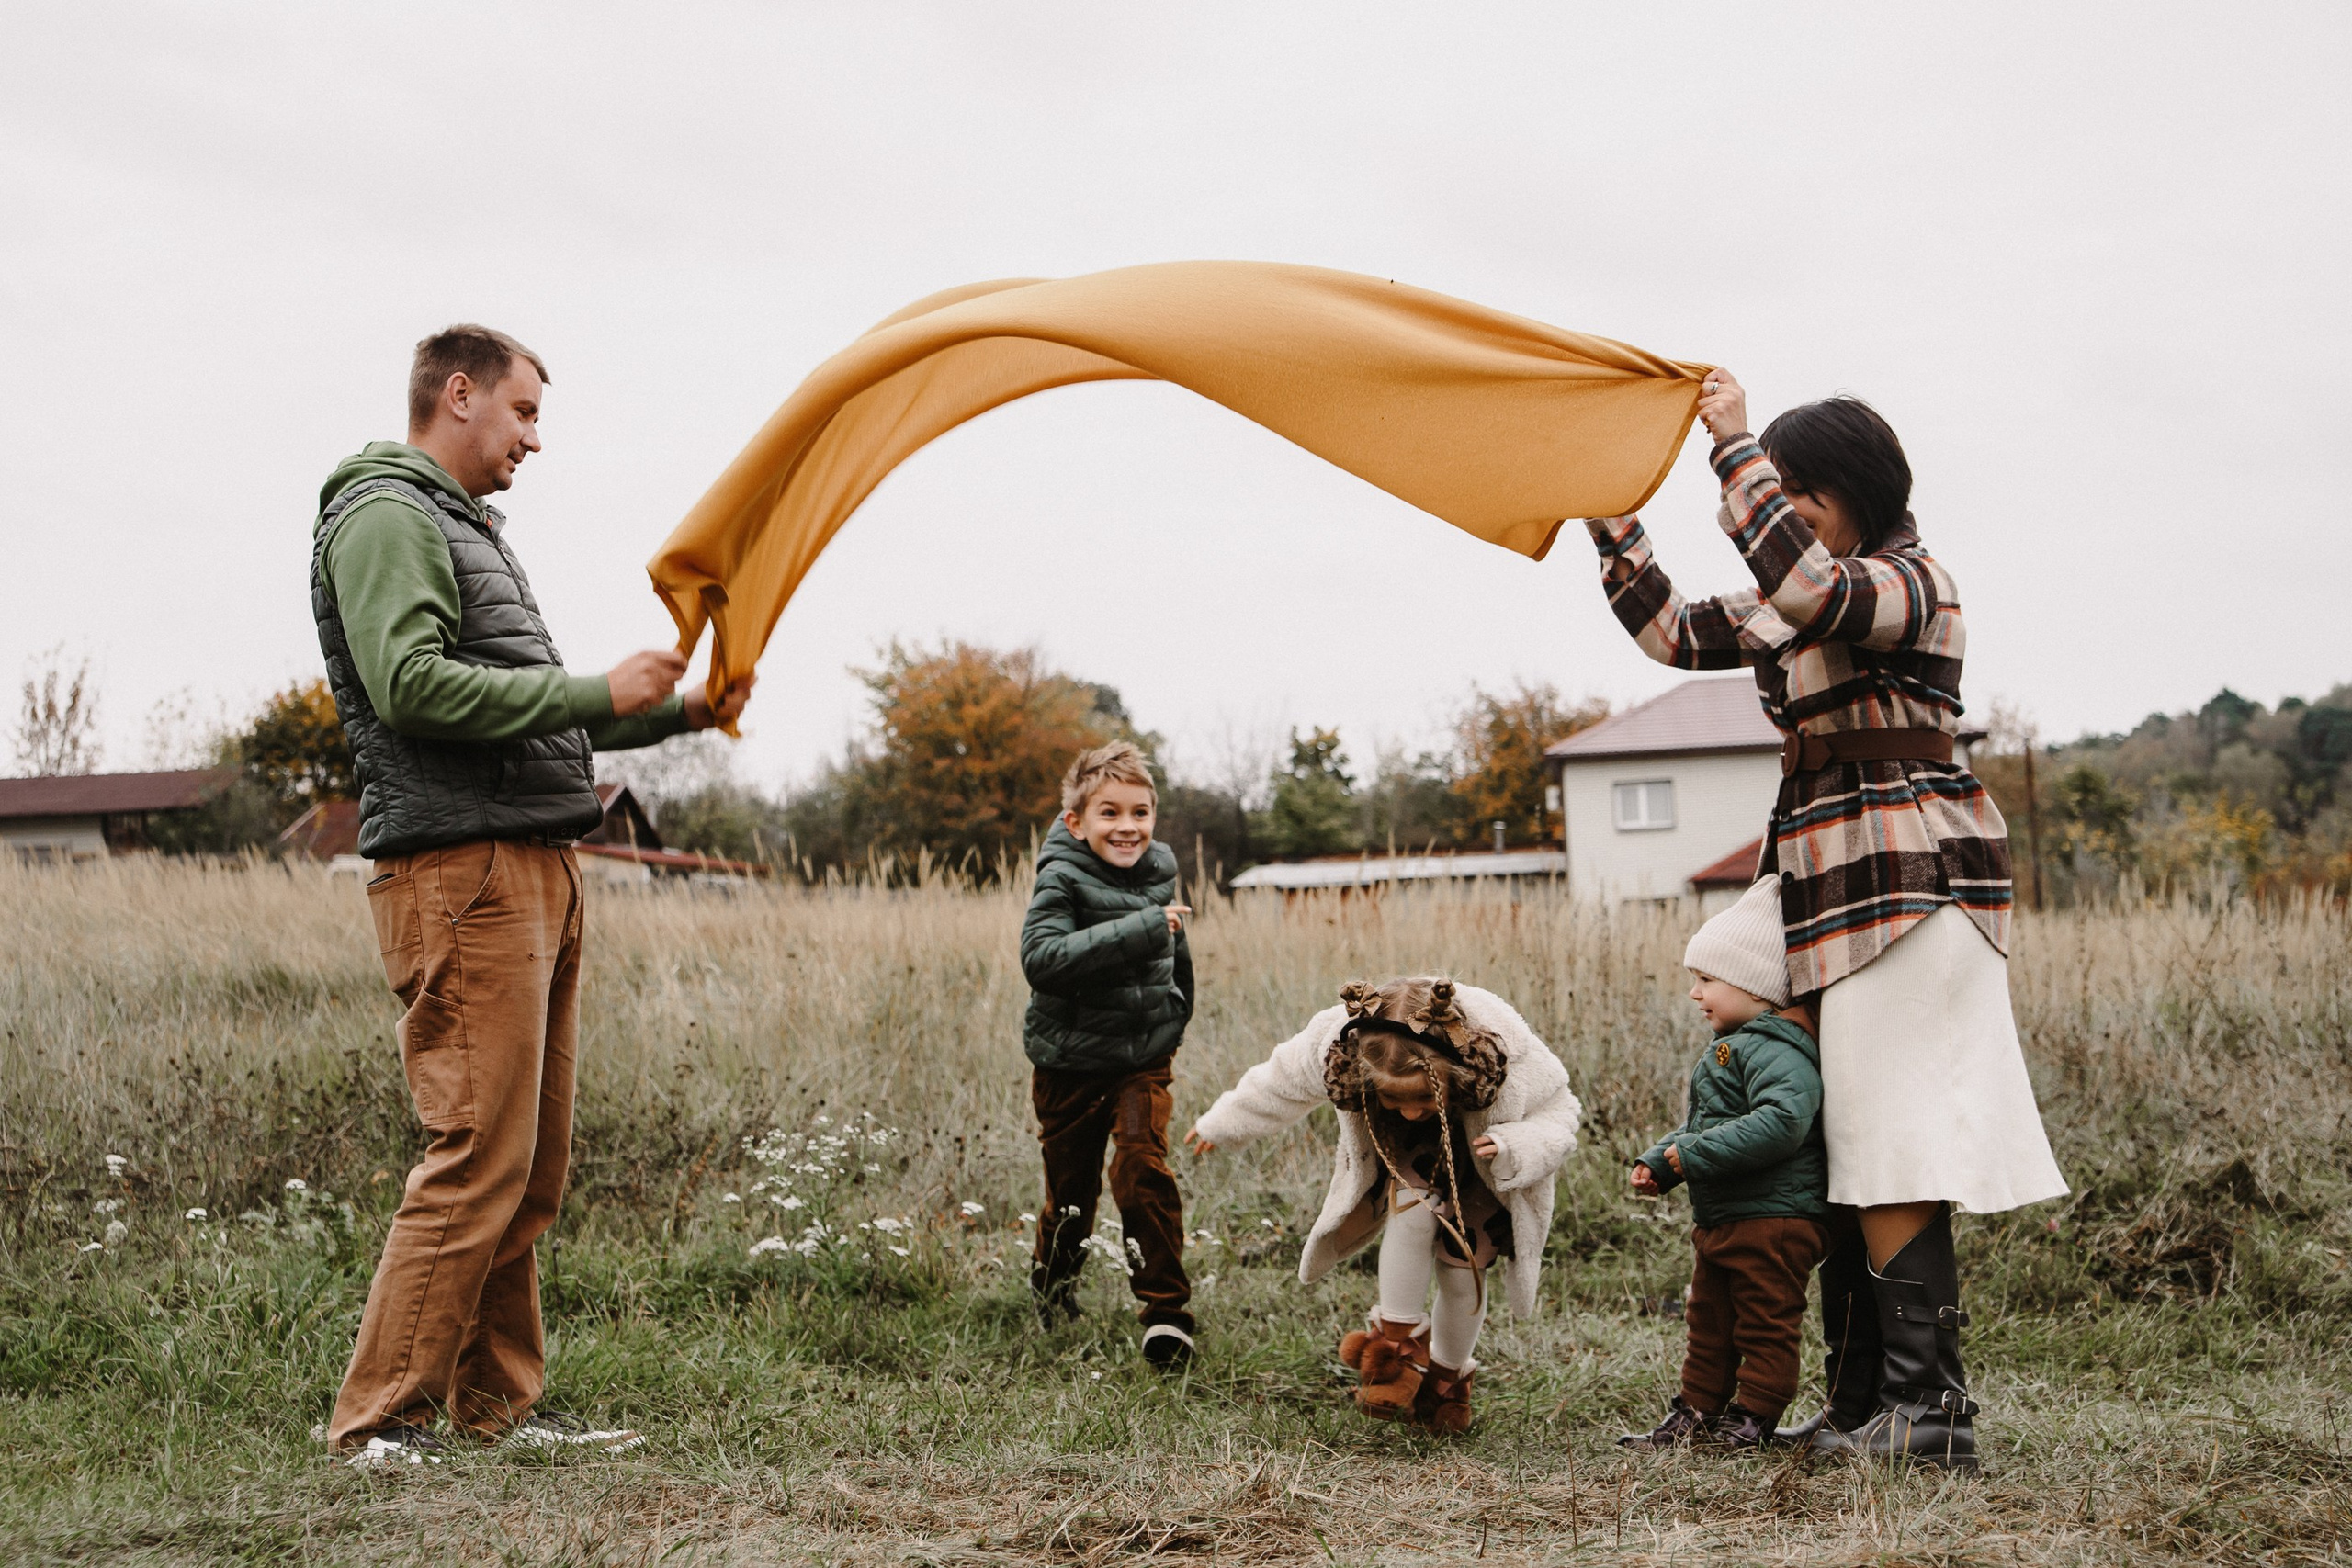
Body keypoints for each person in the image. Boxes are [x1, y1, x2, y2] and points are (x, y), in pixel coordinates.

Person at [1580, 371, 2065, 1472]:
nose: (1786, 502)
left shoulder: (1909, 582)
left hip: (1910, 886)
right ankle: (1862, 1407)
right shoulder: (1805, 594)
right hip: (1831, 891)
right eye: (1778, 486)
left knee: (1894, 1140)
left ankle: (1927, 1417)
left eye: (1806, 487)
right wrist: (1608, 506)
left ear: (1858, 488)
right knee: (1849, 1145)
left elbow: (1800, 587)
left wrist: (1733, 446)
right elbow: (1665, 633)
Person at [312, 324, 752, 1466]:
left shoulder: (466, 532)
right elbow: (410, 686)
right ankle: (376, 1426)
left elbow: (529, 701)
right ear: (457, 396)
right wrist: (598, 683)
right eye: (522, 414)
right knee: (475, 1153)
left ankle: (496, 1410)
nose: (535, 440)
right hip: (464, 872)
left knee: (531, 1164)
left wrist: (678, 712)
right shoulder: (386, 515)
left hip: (534, 862)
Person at [1187, 976, 1581, 1434]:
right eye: (1393, 1097)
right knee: (1411, 1214)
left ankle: (1449, 1377)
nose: (1410, 1110)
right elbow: (1280, 1081)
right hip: (1412, 1153)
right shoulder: (1339, 1041)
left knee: (1462, 1266)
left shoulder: (1504, 1051)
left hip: (1485, 1159)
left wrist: (1515, 1143)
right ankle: (1398, 1346)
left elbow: (1561, 1111)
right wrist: (1222, 1121)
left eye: (1422, 1098)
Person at [1620, 876, 1830, 1452]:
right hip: (1728, 1218)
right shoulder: (1735, 1047)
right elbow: (1706, 1128)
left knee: (1765, 1321)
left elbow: (1784, 1124)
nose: (1695, 993)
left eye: (1707, 980)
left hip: (1775, 1219)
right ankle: (1696, 1413)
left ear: (1758, 986)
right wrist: (1661, 1162)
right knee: (1708, 1321)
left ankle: (1754, 1418)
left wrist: (1690, 1154)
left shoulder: (1779, 1050)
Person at [1020, 740, 1199, 1368]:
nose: (1128, 827)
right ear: (1077, 821)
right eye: (1110, 812)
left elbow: (1179, 967)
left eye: (1141, 812)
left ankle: (1166, 1317)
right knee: (1071, 1198)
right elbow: (1042, 960)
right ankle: (1053, 1289)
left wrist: (1171, 1023)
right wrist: (1145, 927)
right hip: (1068, 1065)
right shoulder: (1060, 876)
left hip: (1140, 1062)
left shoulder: (1160, 871)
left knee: (1142, 1170)